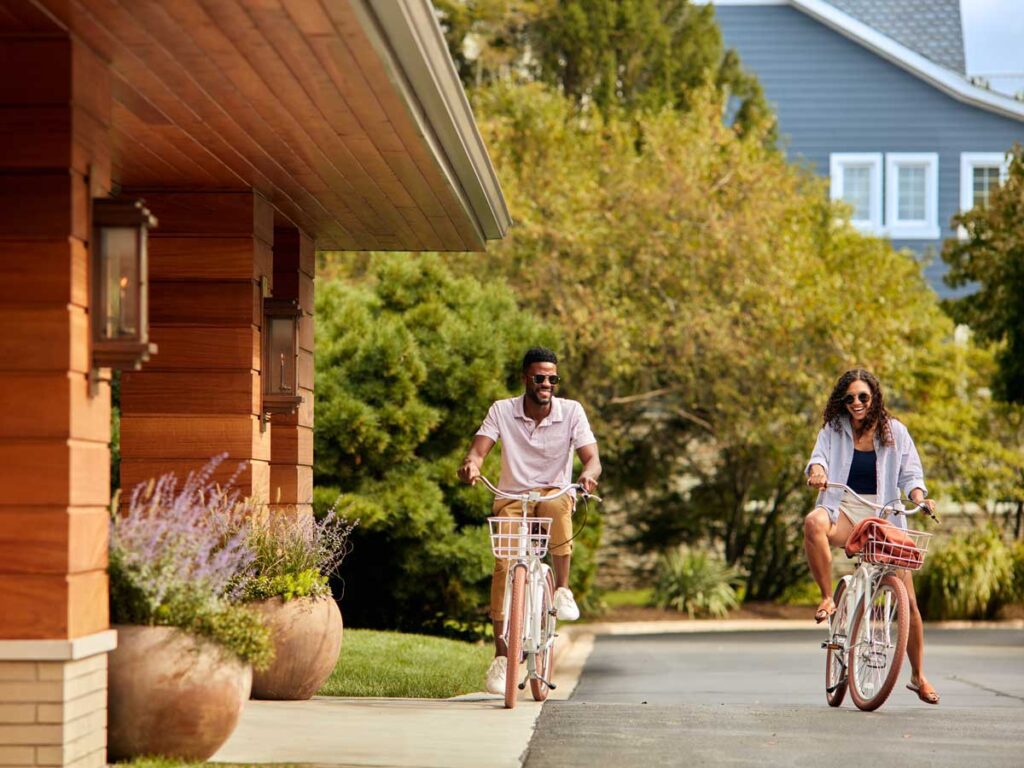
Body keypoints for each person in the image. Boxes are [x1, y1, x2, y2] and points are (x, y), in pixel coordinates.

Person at [458, 346, 601, 695]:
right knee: (504, 561)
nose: (547, 384)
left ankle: (563, 590)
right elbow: (477, 452)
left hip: (552, 492)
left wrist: (587, 476)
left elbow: (592, 458)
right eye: (540, 378)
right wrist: (471, 466)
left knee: (558, 509)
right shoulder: (502, 411)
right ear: (526, 378)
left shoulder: (571, 412)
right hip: (513, 496)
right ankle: (502, 654)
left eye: (553, 378)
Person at [804, 368, 940, 705]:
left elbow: (912, 475)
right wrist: (817, 473)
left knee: (909, 604)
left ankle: (918, 675)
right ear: (842, 400)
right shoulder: (833, 429)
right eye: (849, 398)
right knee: (813, 522)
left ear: (874, 397)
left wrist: (921, 499)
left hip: (884, 513)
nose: (856, 403)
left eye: (862, 397)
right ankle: (826, 598)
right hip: (845, 508)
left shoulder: (895, 432)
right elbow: (817, 459)